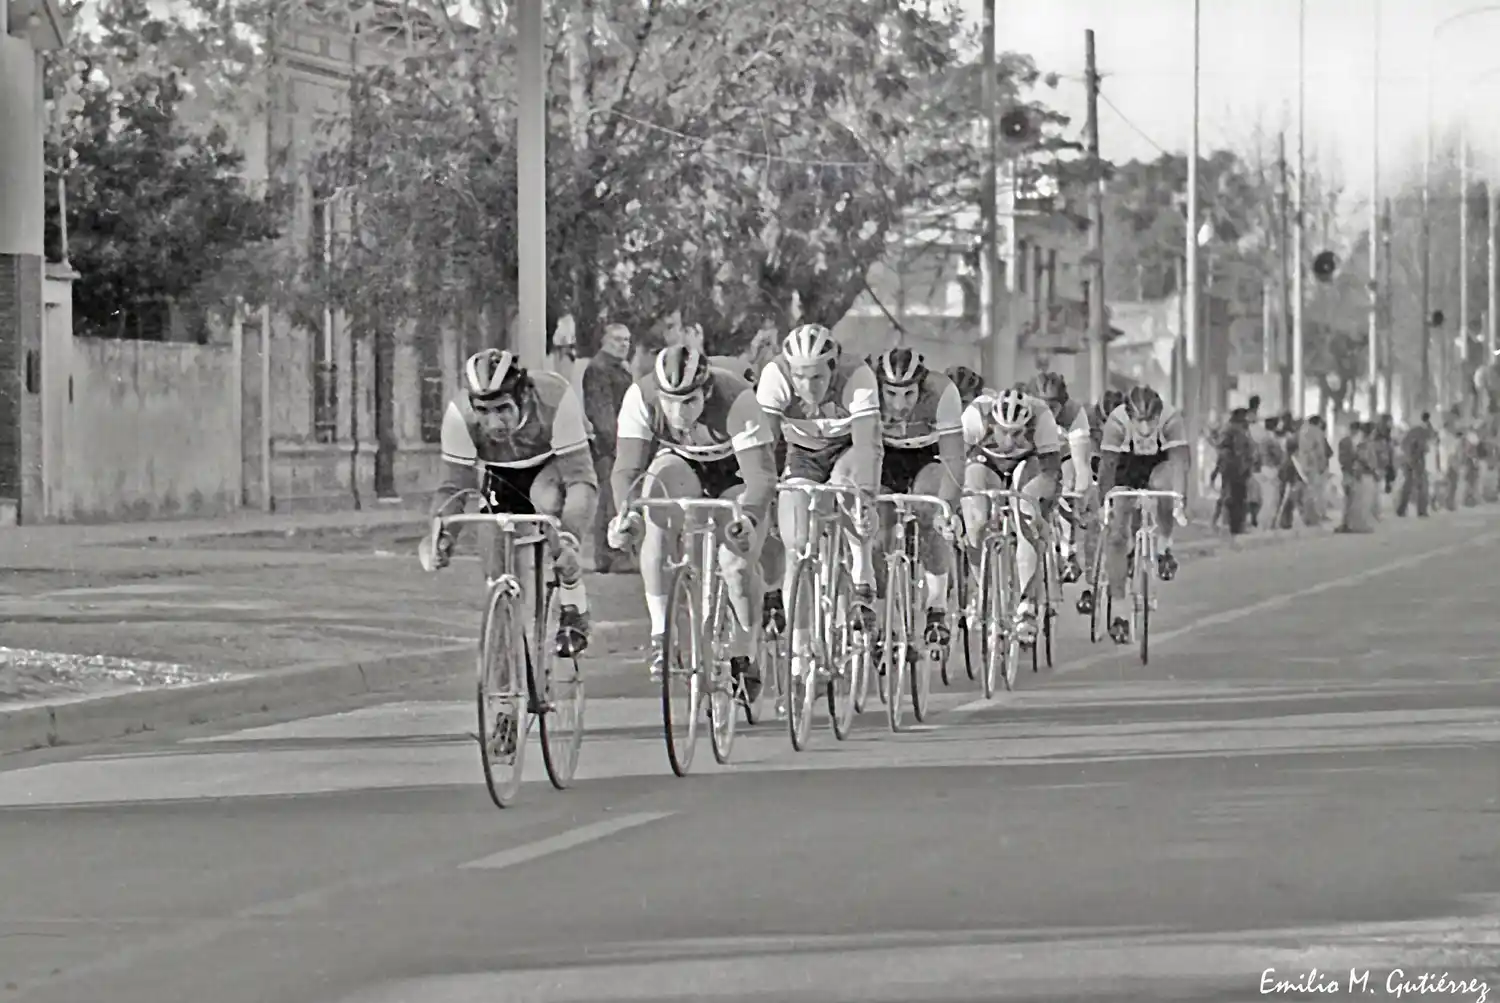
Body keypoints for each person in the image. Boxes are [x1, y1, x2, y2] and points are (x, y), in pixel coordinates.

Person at [606, 345, 778, 697]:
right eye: (670, 401)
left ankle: (745, 647)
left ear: (707, 392)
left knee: (736, 565)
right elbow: (627, 470)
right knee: (653, 500)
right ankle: (660, 635)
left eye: (689, 402)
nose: (678, 412)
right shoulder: (640, 397)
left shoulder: (737, 400)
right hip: (683, 464)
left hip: (736, 472)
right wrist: (627, 515)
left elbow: (760, 478)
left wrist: (748, 518)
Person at [429, 348, 595, 656]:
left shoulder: (555, 397)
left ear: (522, 396)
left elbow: (580, 483)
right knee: (495, 564)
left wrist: (571, 539)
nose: (494, 423)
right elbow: (454, 486)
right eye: (483, 411)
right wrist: (442, 535)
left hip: (553, 466)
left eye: (503, 409)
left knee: (546, 499)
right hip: (502, 474)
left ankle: (574, 600)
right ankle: (506, 694)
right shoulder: (458, 416)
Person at [756, 324, 882, 682]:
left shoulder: (857, 376)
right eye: (800, 377)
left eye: (816, 377)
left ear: (833, 366)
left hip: (848, 450)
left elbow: (867, 445)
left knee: (847, 486)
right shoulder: (774, 376)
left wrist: (867, 498)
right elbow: (764, 446)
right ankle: (799, 650)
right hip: (803, 454)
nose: (807, 387)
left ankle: (861, 572)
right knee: (797, 548)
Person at [872, 347, 965, 648]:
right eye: (891, 394)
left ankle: (937, 606)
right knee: (876, 529)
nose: (900, 404)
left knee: (929, 512)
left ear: (921, 386)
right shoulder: (865, 391)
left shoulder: (942, 392)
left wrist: (947, 509)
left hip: (927, 455)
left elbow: (954, 459)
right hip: (884, 457)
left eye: (909, 394)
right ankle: (882, 613)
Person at [959, 386, 1063, 644]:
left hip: (1028, 463)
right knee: (975, 517)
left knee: (1026, 512)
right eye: (1002, 431)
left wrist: (1042, 513)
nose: (1008, 439)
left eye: (1017, 433)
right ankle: (982, 588)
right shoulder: (975, 415)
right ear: (991, 423)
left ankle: (1027, 604)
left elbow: (1051, 473)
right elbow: (953, 463)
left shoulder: (1042, 418)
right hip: (985, 460)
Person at [1094, 385, 1189, 646]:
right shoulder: (1116, 422)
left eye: (1151, 420)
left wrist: (1180, 501)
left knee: (1163, 490)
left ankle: (1163, 547)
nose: (1146, 428)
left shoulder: (1171, 419)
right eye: (1140, 421)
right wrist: (1104, 502)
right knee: (1117, 537)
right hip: (1126, 466)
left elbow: (1180, 463)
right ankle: (1121, 612)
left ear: (1159, 415)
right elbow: (1107, 466)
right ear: (1129, 417)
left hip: (1159, 464)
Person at [582, 323, 638, 573]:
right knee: (611, 501)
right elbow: (601, 411)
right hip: (610, 446)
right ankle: (609, 556)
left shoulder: (616, 368)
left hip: (618, 443)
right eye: (617, 340)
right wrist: (619, 444)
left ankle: (614, 555)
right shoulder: (599, 369)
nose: (623, 344)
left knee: (616, 499)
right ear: (604, 341)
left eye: (626, 340)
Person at [1027, 371, 1092, 582]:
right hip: (1034, 453)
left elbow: (1082, 463)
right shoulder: (1025, 409)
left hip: (1061, 453)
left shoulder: (1074, 414)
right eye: (1042, 405)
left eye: (1053, 407)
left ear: (1063, 404)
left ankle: (1068, 550)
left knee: (1071, 477)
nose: (1047, 413)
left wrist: (1079, 496)